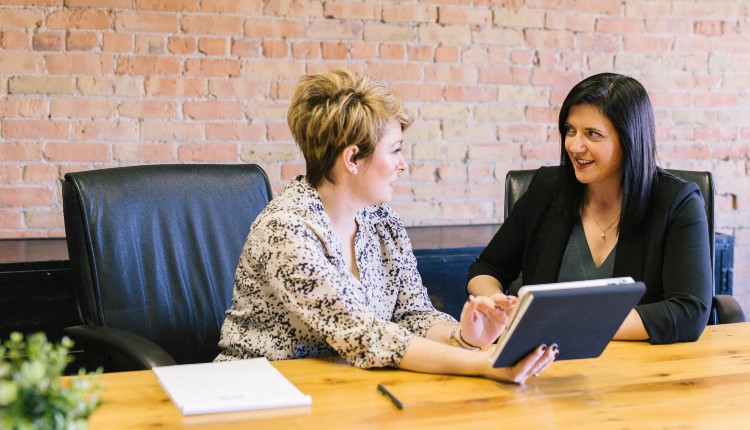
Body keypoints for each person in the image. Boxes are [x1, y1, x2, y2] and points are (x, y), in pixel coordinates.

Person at [216, 69, 557, 383]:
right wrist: (485, 363)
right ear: (352, 158)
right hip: (256, 392)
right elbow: (365, 335)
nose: (403, 165)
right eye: (394, 151)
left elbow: (414, 314)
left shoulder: (382, 221)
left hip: (345, 388)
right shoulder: (286, 230)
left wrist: (465, 337)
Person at [467, 72, 712, 344]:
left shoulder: (677, 202)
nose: (574, 145)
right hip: (543, 362)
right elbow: (486, 268)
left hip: (637, 367)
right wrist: (498, 306)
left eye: (592, 134)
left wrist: (567, 324)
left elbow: (689, 311)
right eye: (570, 130)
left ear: (629, 139)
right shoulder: (546, 189)